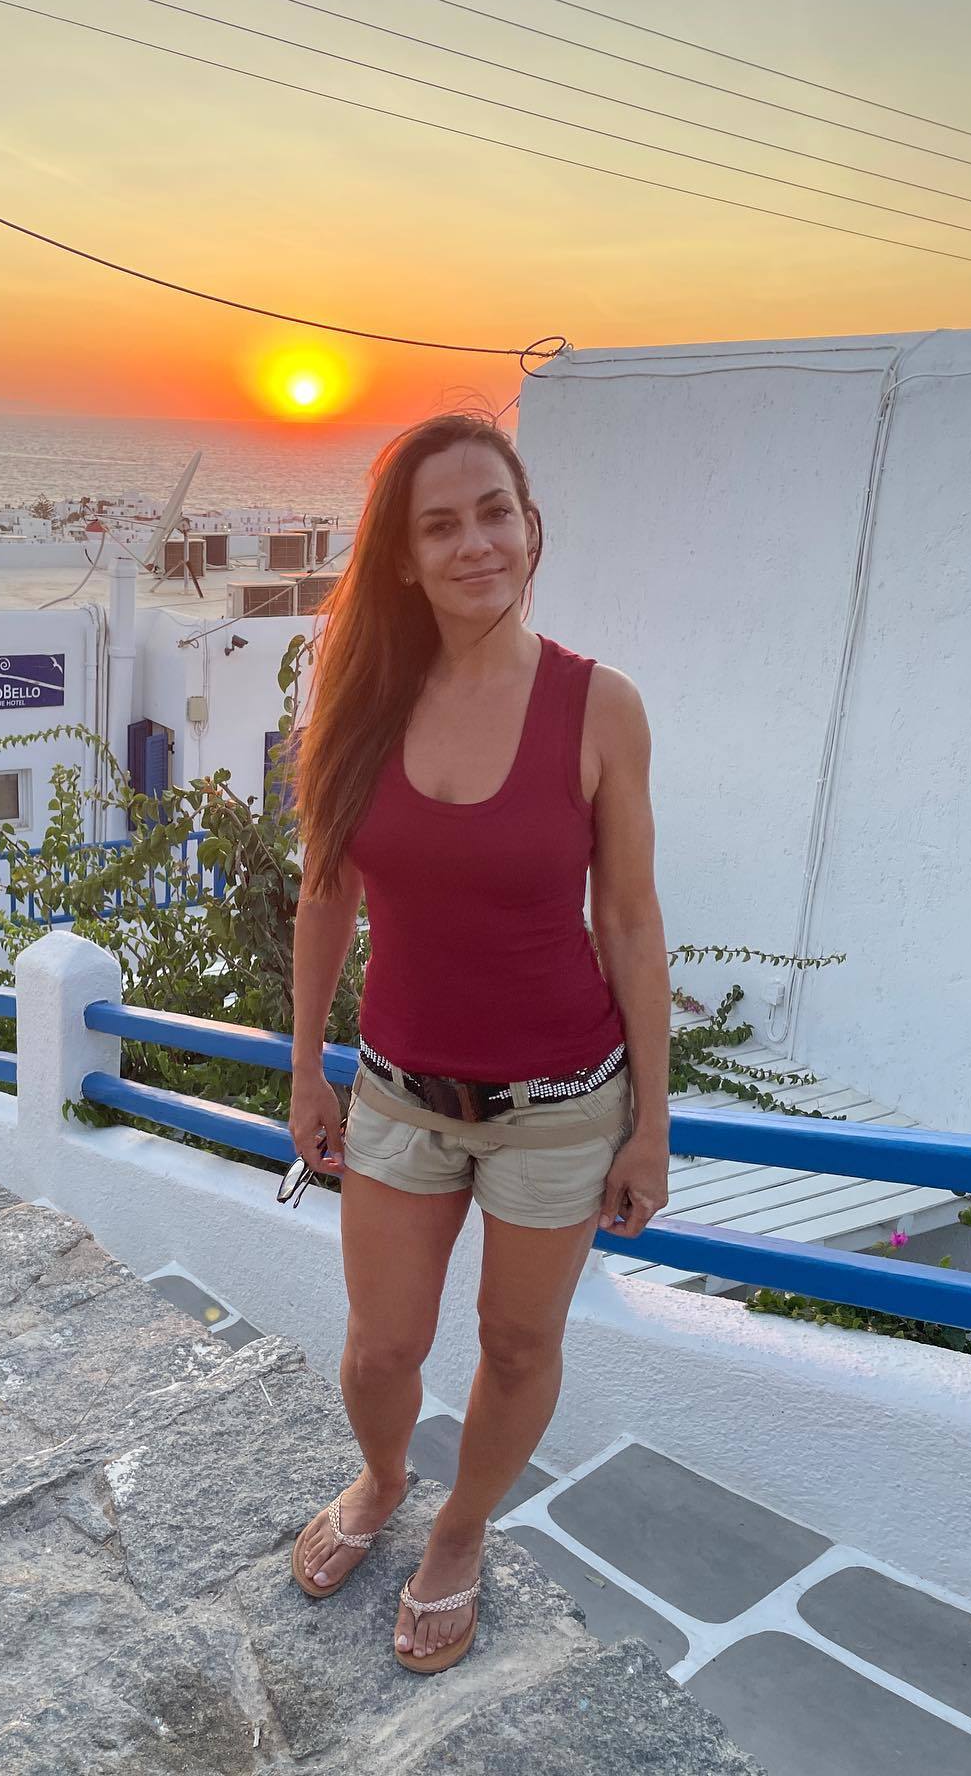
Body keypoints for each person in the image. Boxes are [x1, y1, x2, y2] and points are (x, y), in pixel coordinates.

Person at [286, 412, 670, 1674]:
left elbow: (629, 921)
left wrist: (651, 1125)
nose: (474, 545)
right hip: (399, 1095)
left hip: (563, 1105)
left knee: (517, 1345)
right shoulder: (360, 700)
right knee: (380, 1349)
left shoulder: (599, 706)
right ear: (402, 559)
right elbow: (327, 895)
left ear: (531, 526)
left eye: (494, 512)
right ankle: (386, 1477)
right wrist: (306, 1068)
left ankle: (461, 1528)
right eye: (439, 525)